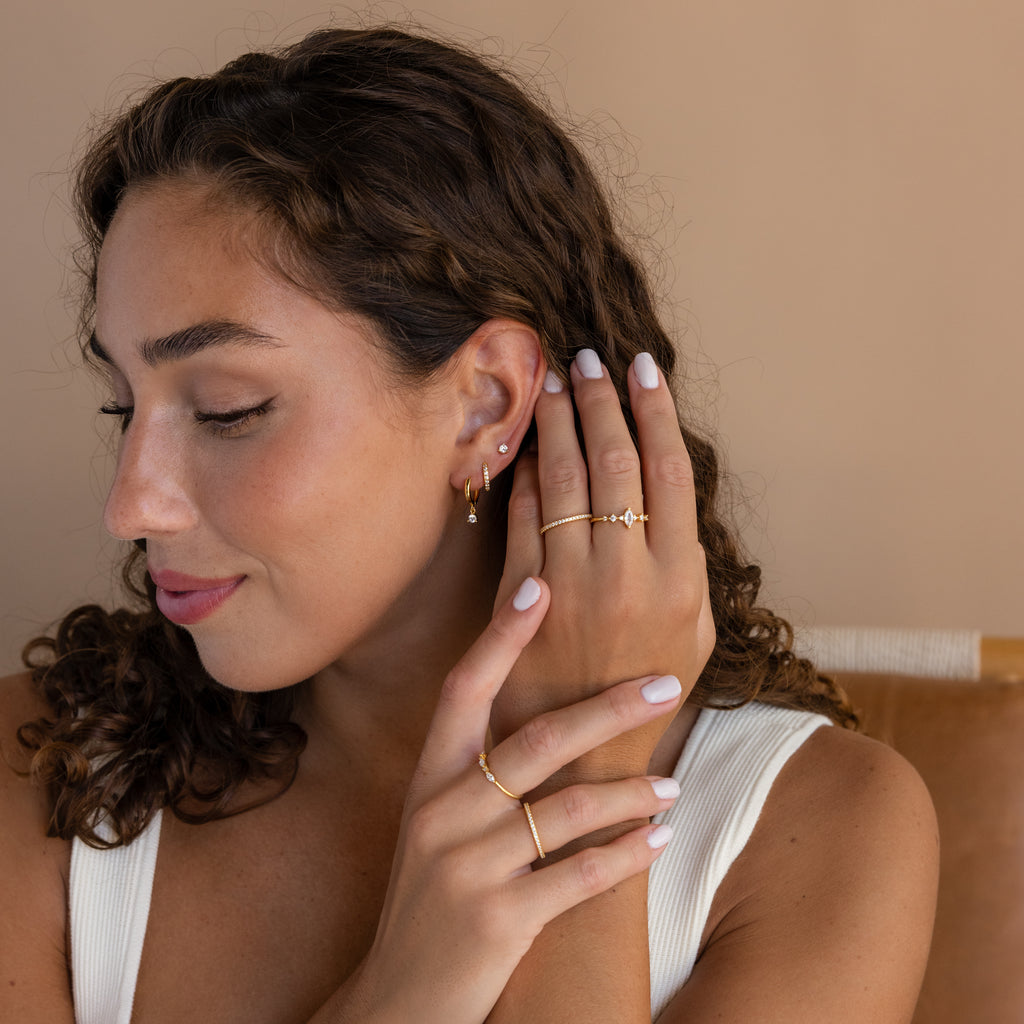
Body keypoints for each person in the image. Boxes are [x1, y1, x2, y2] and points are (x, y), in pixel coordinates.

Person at [0, 25, 938, 1024]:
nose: (131, 503)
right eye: (122, 406)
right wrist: (411, 981)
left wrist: (578, 800)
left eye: (227, 406)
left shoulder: (820, 830)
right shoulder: (37, 772)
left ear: (487, 403)